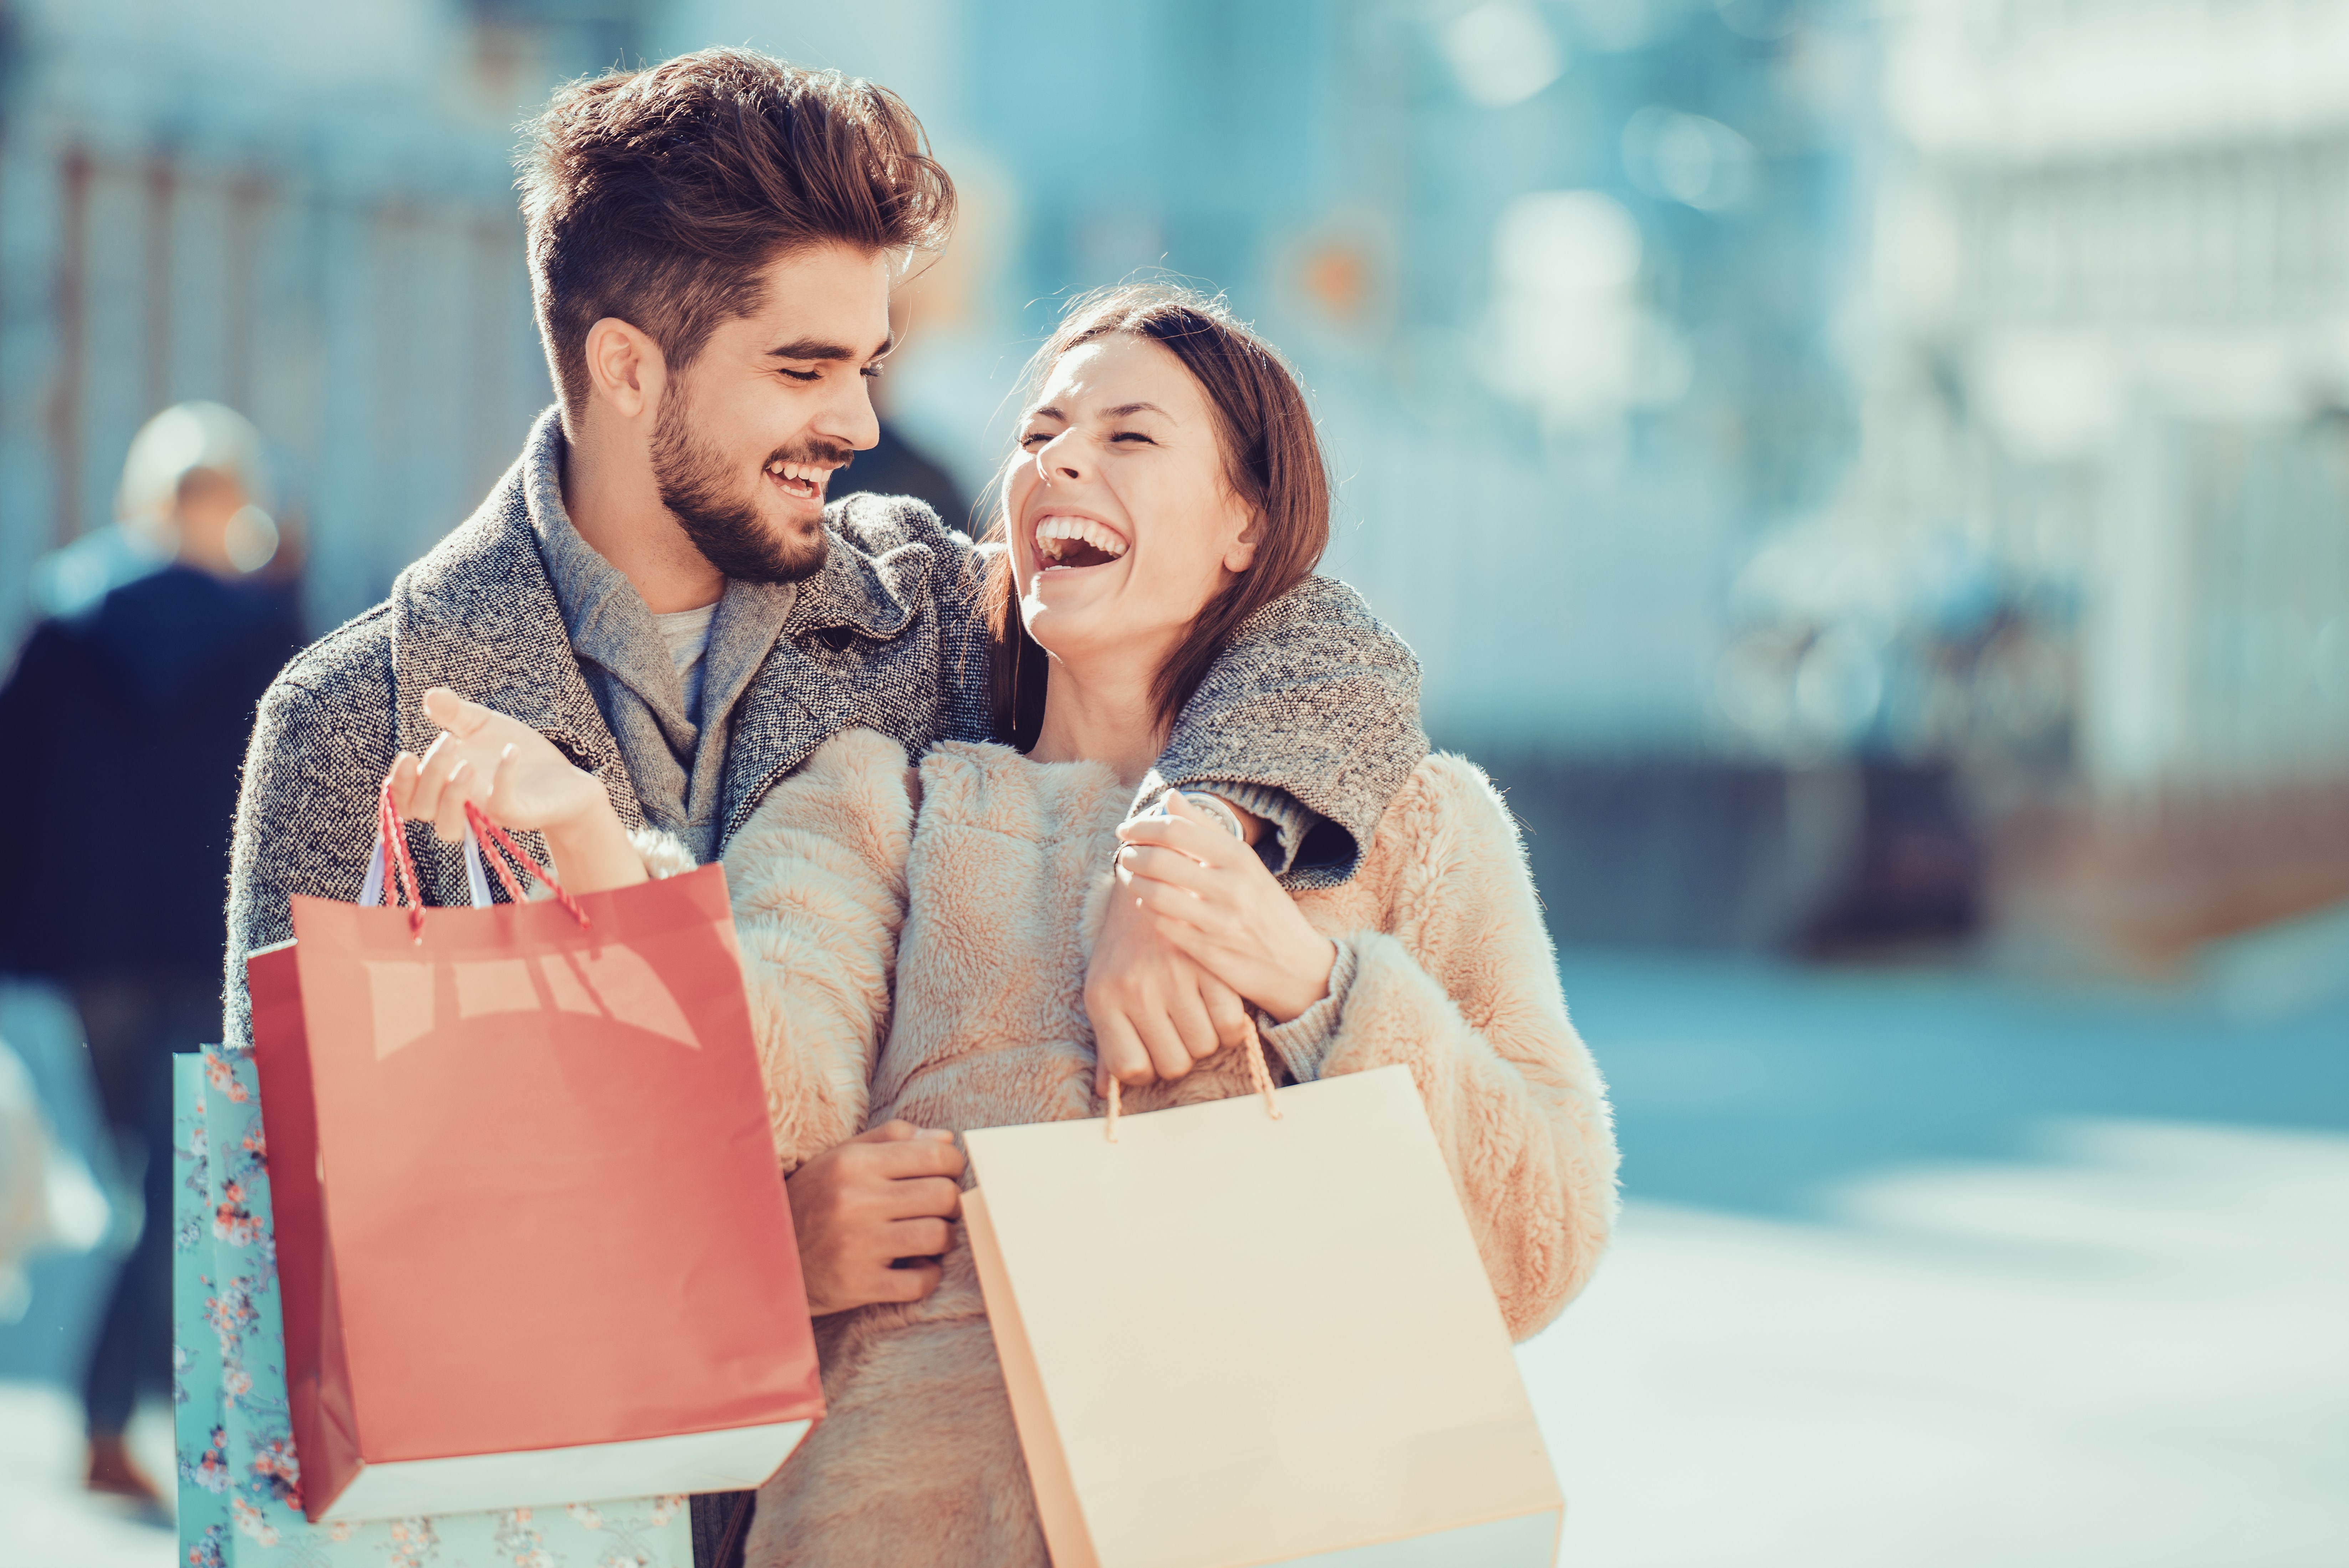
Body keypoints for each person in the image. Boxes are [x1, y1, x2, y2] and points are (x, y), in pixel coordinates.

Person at [222, 51, 1427, 1562]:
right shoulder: (359, 719)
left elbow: (1320, 638)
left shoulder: (929, 614)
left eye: (871, 362)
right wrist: (748, 1270)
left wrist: (1189, 841)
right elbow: (306, 1257)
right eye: (804, 369)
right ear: (627, 367)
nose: (859, 420)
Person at [397, 283, 1620, 1568]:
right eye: (1039, 435)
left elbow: (1538, 1240)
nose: (1061, 460)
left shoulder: (1415, 827)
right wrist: (592, 846)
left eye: (1129, 435)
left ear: (1245, 523)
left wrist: (1312, 984)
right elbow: (756, 1109)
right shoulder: (879, 805)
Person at [0, 401, 304, 1508]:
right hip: (200, 943)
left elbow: (14, 787)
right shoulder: (266, 631)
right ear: (233, 504)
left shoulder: (64, 618)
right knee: (182, 1177)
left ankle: (118, 1420)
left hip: (85, 955)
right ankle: (121, 1419)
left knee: (144, 1174)